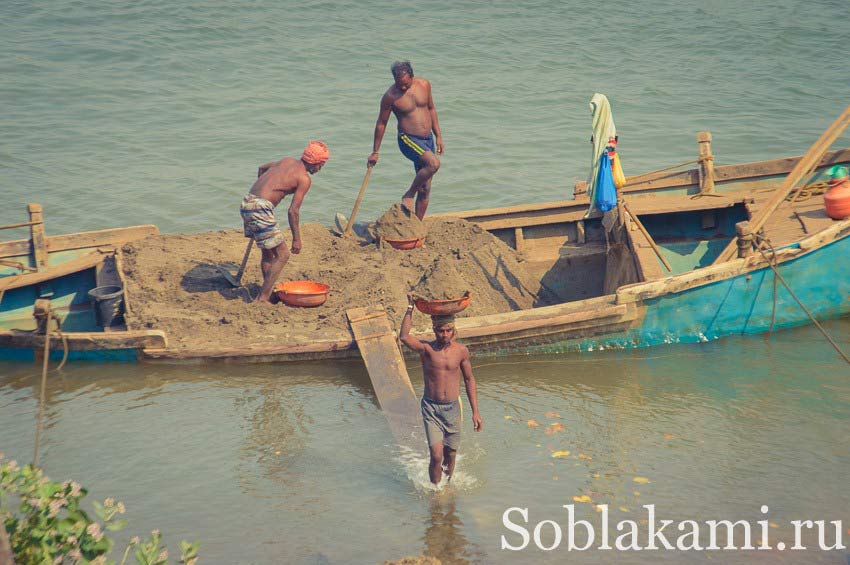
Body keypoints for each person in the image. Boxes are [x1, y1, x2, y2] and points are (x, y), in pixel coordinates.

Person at [400, 296, 482, 484]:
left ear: (453, 331)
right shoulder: (426, 349)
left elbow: (470, 380)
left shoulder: (461, 351)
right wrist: (410, 307)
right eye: (440, 331)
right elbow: (404, 336)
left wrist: (475, 412)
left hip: (452, 409)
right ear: (434, 330)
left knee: (450, 455)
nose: (444, 334)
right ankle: (436, 493)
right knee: (436, 456)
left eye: (448, 330)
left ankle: (446, 487)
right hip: (431, 409)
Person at [240, 141, 329, 305]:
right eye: (322, 165)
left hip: (248, 202)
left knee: (268, 252)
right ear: (317, 163)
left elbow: (261, 168)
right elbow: (293, 211)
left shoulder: (286, 161)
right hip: (260, 208)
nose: (320, 169)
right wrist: (297, 239)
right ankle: (262, 299)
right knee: (283, 255)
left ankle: (265, 290)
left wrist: (264, 191)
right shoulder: (304, 179)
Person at [368, 60, 444, 220]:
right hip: (408, 139)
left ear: (412, 76)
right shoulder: (390, 96)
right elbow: (381, 123)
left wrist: (438, 136)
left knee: (425, 188)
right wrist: (375, 151)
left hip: (427, 139)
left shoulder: (424, 85)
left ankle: (417, 225)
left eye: (405, 84)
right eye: (398, 84)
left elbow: (431, 108)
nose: (402, 88)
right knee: (434, 164)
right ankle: (409, 194)